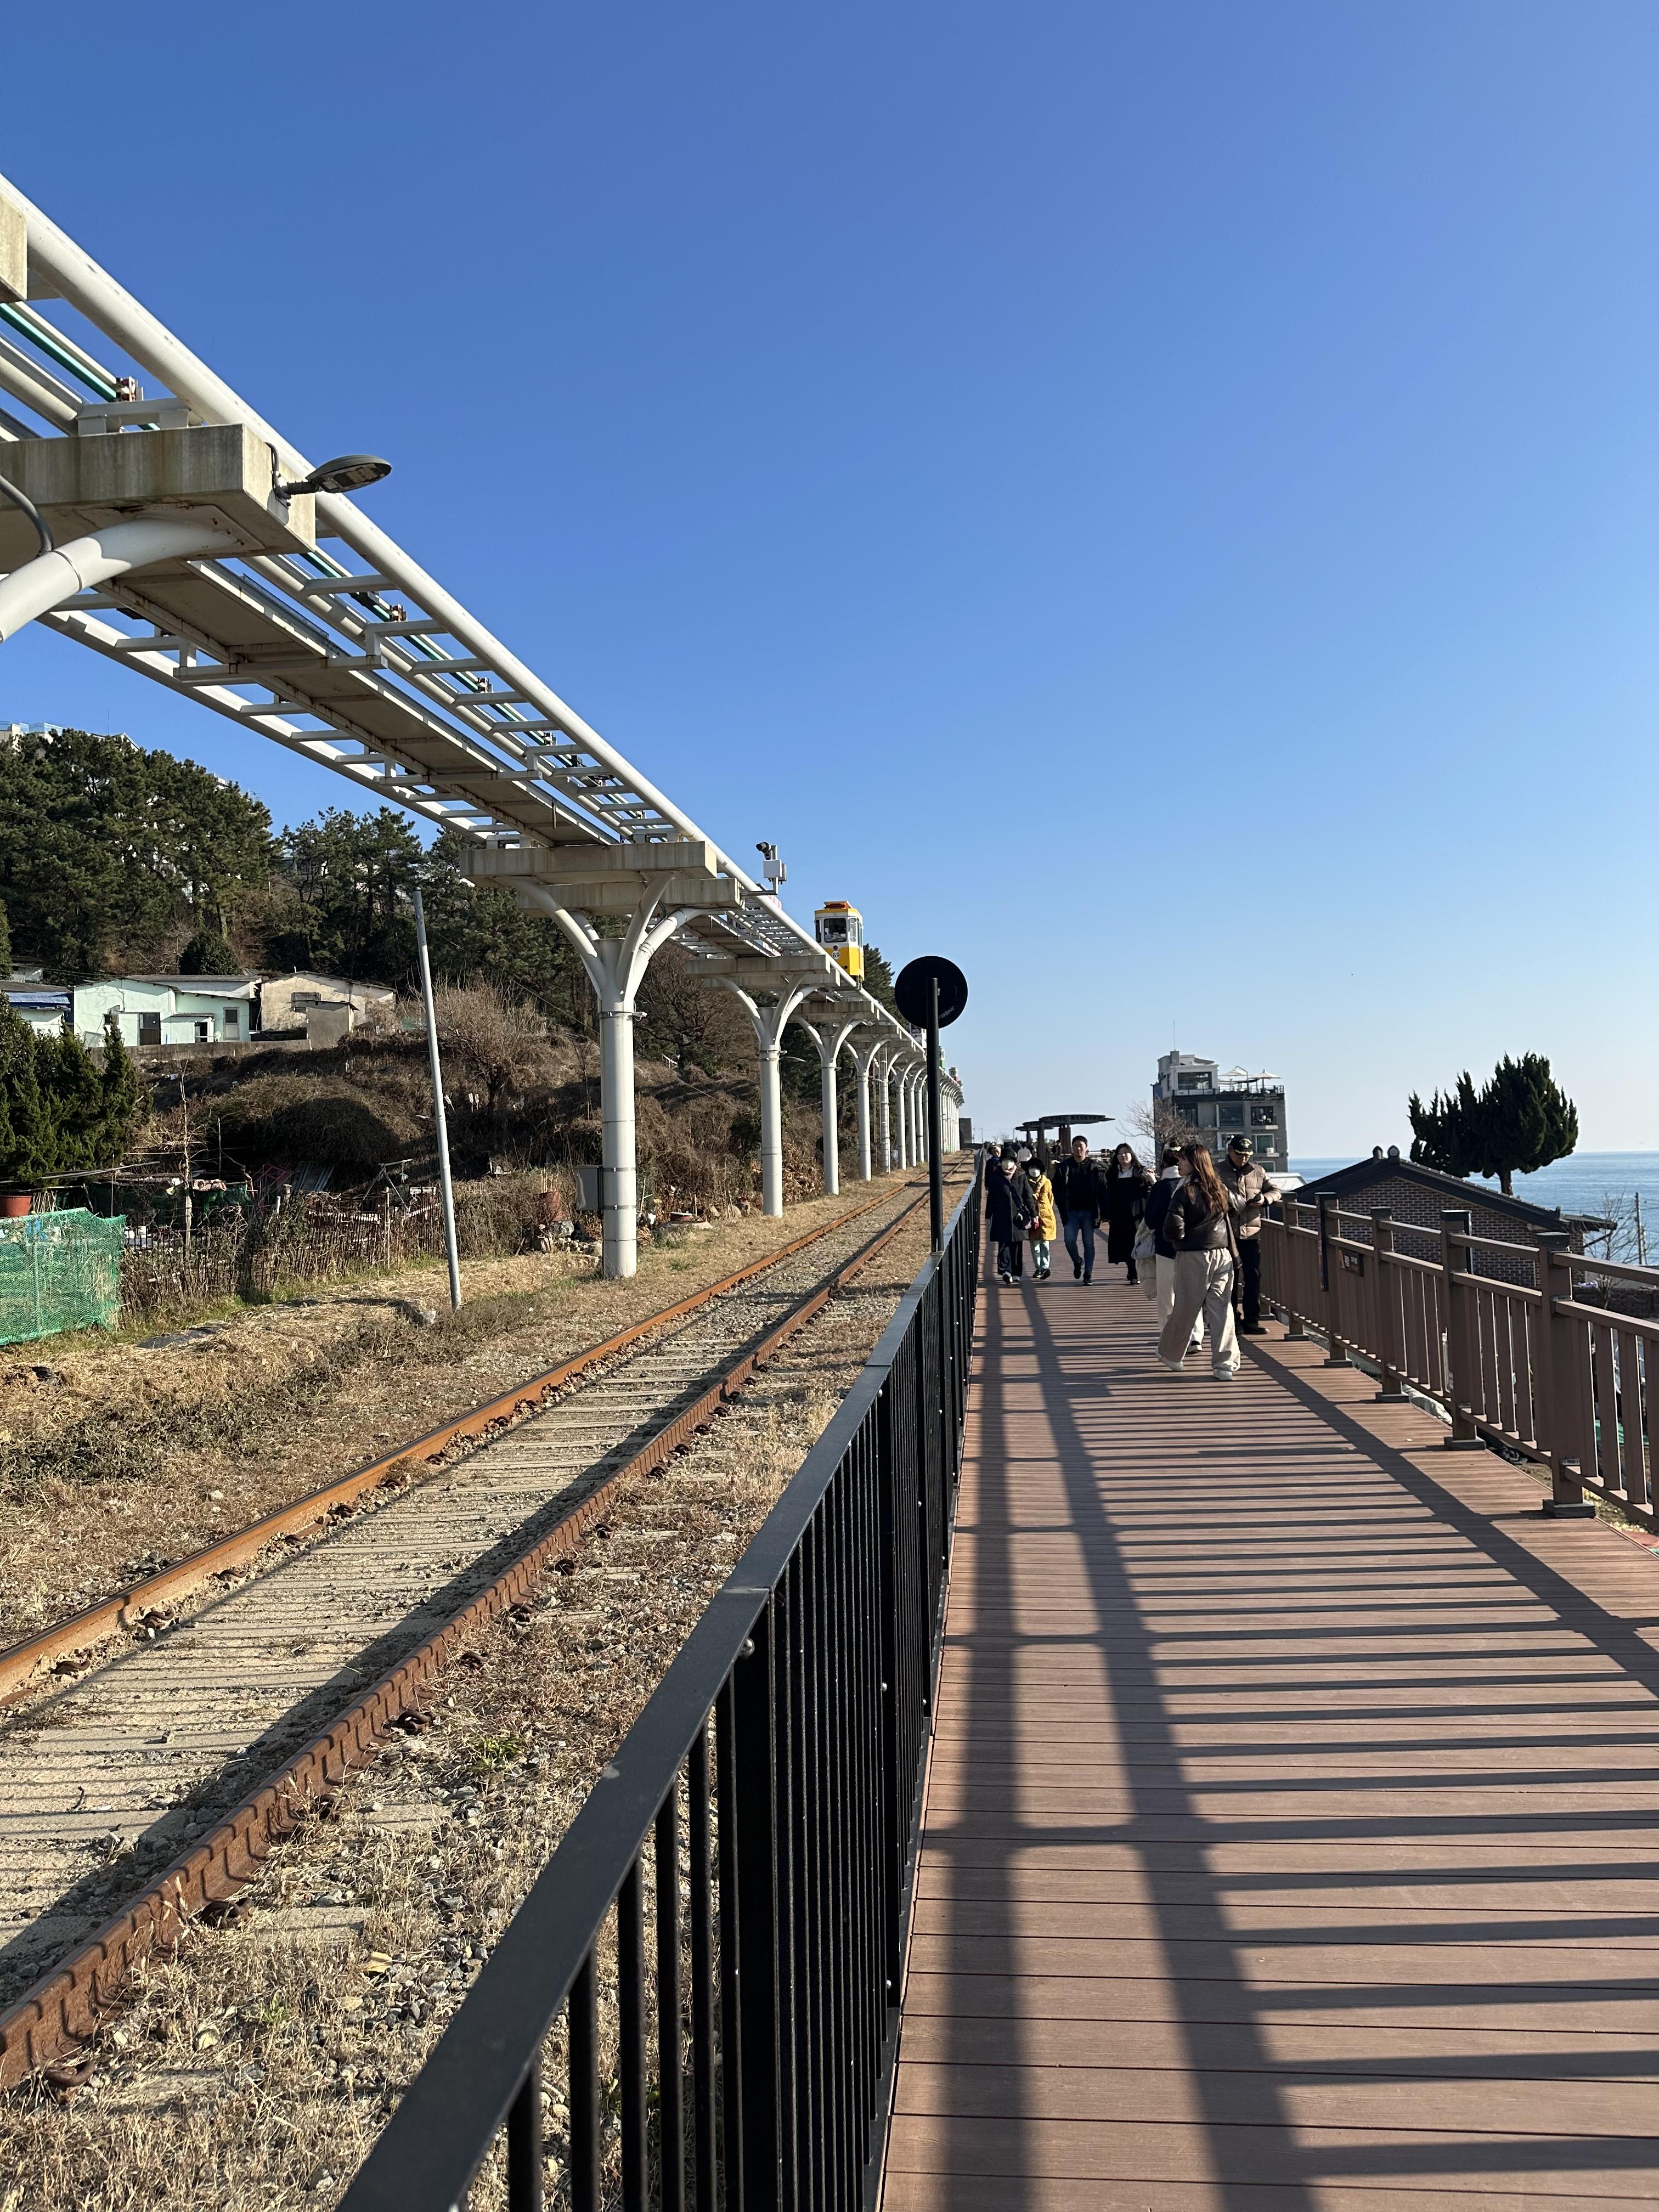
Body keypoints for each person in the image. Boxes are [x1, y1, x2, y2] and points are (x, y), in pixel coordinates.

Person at [1156, 1142, 1241, 1378]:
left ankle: (1171, 1354)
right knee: (1222, 1310)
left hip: (1193, 1254)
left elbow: (1173, 1228)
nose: (1179, 1163)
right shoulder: (1218, 1187)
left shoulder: (1185, 1190)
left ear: (1194, 1163)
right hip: (1222, 1253)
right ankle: (1225, 1364)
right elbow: (1239, 1205)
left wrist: (1179, 1240)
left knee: (1186, 1307)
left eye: (1183, 1159)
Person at [1141, 1143, 1203, 1350]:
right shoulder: (1197, 1186)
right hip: (1192, 1247)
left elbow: (1150, 1221)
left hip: (1166, 1247)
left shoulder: (1160, 1188)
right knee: (1192, 1293)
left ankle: (1169, 1334)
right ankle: (1195, 1336)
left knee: (1167, 1294)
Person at [1218, 1133, 1280, 1334]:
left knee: (1254, 1277)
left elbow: (1276, 1190)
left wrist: (1264, 1199)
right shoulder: (1218, 1171)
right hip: (1227, 1234)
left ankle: (1252, 1320)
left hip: (1251, 1233)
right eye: (1240, 1154)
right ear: (1230, 1151)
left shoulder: (1258, 1171)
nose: (1244, 1158)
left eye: (1247, 1155)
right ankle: (1232, 1321)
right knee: (1229, 1278)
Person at [1050, 1135, 1109, 1283]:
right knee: (1069, 1241)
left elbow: (1104, 1190)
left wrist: (1105, 1212)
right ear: (1072, 1148)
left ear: (1086, 1148)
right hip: (1071, 1212)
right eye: (1076, 1146)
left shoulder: (1095, 1167)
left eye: (1081, 1146)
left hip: (1090, 1211)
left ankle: (1088, 1274)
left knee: (1089, 1243)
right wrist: (1061, 1207)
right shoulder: (1064, 1167)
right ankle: (1077, 1261)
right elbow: (1056, 1189)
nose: (1078, 1149)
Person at [1103, 1143, 1154, 1286]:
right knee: (1123, 1244)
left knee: (1136, 1242)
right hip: (1119, 1214)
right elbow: (1107, 1194)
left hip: (1138, 1213)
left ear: (1132, 1154)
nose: (1123, 1156)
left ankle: (1135, 1272)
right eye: (1120, 1153)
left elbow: (1149, 1191)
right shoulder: (1111, 1173)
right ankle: (1131, 1269)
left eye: (1126, 1152)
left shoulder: (1142, 1172)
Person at [986, 1148, 1036, 1284]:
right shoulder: (996, 1175)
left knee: (1017, 1245)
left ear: (1015, 1162)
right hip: (1001, 1215)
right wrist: (989, 1215)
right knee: (1004, 1244)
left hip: (1018, 1216)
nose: (1008, 1163)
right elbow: (992, 1197)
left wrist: (1034, 1214)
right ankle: (1005, 1271)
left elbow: (1028, 1196)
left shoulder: (1021, 1175)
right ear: (1001, 1161)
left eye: (1010, 1160)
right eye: (1005, 1160)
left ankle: (1016, 1272)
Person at [1024, 1154, 1057, 1281]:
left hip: (1045, 1216)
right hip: (1032, 1216)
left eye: (1036, 1168)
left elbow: (1051, 1198)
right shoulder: (1025, 1182)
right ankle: (1038, 1267)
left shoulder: (1047, 1182)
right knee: (1035, 1245)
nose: (1034, 1170)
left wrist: (1045, 1210)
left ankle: (1045, 1267)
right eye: (1032, 1168)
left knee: (1045, 1243)